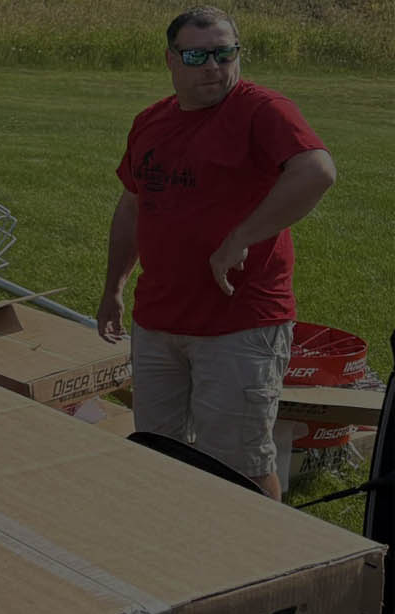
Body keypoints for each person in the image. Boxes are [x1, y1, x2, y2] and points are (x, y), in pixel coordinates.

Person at [95, 6, 336, 500]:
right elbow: (133, 205)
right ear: (170, 59)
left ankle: (263, 548)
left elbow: (316, 170)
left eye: (225, 54)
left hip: (239, 324)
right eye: (197, 56)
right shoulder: (150, 122)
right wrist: (114, 287)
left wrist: (240, 238)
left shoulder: (261, 110)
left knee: (240, 466)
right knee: (157, 451)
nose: (213, 66)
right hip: (158, 321)